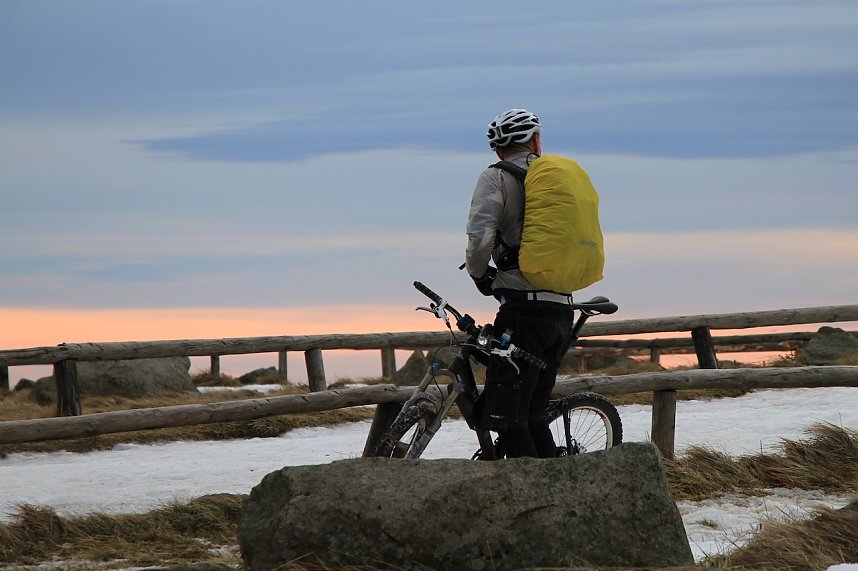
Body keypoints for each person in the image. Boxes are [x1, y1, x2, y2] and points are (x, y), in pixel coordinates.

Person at [465, 108, 577, 458]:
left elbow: (480, 237)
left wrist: (480, 274)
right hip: (561, 309)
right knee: (532, 413)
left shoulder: (496, 177)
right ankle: (563, 483)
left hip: (522, 310)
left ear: (497, 148)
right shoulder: (557, 179)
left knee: (508, 418)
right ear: (535, 141)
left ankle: (539, 497)